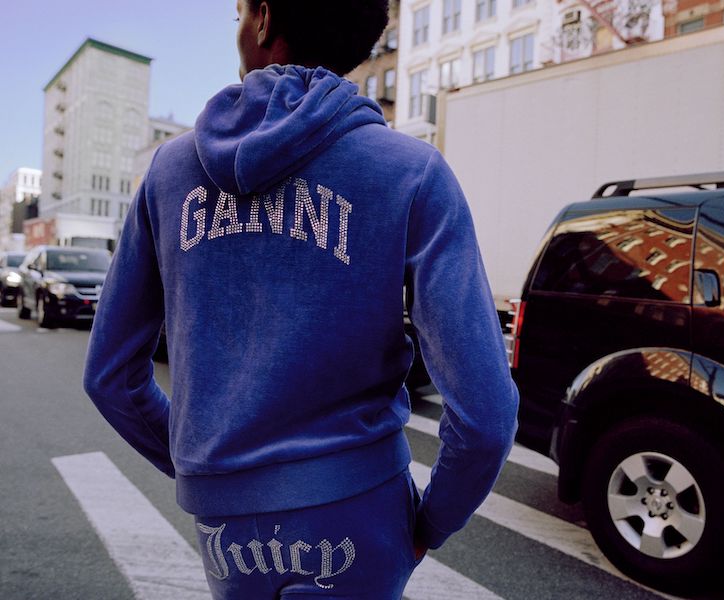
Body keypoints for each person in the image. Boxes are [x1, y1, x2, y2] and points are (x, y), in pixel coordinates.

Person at [83, 1, 519, 598]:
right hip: (361, 508)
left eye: (238, 13)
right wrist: (433, 523)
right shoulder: (411, 171)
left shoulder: (168, 174)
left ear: (264, 20)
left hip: (226, 526)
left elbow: (110, 377)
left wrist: (207, 469)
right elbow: (486, 415)